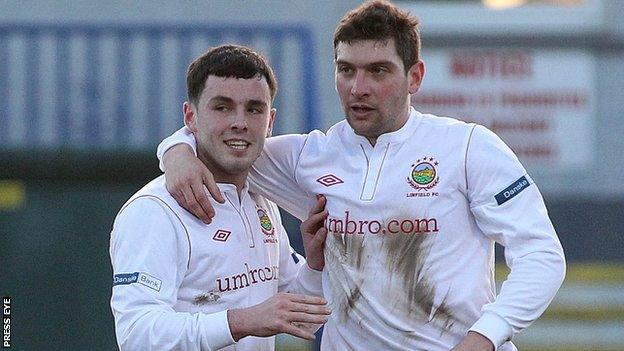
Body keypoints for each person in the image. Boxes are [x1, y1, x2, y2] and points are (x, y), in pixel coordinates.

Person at [156, 1, 566, 350]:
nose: (358, 88)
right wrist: (176, 151)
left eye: (379, 71)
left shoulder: (469, 148)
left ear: (415, 77)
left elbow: (542, 256)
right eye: (346, 70)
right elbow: (220, 137)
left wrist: (485, 337)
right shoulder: (306, 157)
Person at [109, 44, 332, 351]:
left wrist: (315, 266)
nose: (239, 122)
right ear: (190, 116)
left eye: (254, 109)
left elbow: (302, 320)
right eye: (222, 107)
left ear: (270, 122)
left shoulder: (260, 199)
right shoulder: (154, 211)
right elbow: (136, 335)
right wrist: (242, 321)